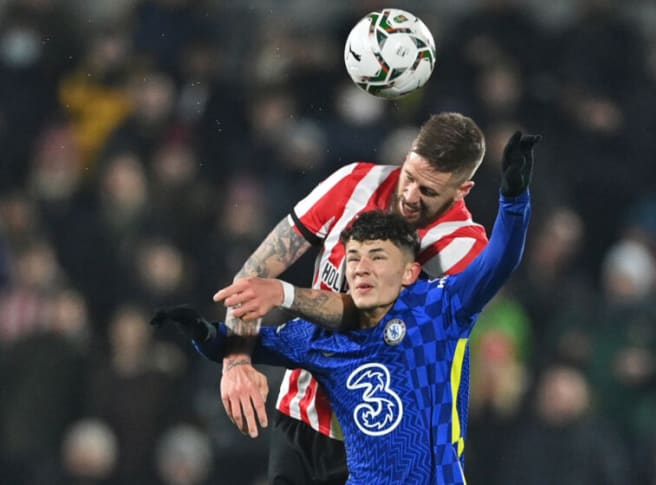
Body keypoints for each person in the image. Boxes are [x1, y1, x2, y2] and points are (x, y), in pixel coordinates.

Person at [204, 112, 538, 484]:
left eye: (428, 192)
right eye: (409, 176)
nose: (410, 197)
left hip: (391, 442)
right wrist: (236, 360)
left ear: (463, 190)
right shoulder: (354, 183)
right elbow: (255, 272)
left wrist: (285, 294)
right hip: (301, 417)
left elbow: (369, 323)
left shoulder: (460, 249)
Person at [153, 187, 532, 483]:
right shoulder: (320, 337)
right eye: (353, 258)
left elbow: (499, 260)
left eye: (377, 257)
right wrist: (201, 331)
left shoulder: (439, 310)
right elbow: (240, 343)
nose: (361, 268)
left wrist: (514, 199)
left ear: (409, 272)